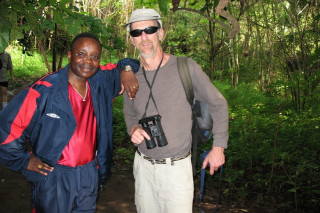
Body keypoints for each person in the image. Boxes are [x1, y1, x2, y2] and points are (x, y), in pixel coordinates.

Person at [0, 33, 139, 213]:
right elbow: (6, 126)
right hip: (54, 175)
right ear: (69, 55)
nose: (88, 61)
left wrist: (127, 69)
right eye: (81, 54)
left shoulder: (100, 82)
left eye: (94, 56)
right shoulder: (45, 90)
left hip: (89, 173)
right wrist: (24, 160)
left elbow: (128, 62)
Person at [122, 8, 229, 213]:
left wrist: (219, 147)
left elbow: (219, 103)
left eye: (149, 30)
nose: (143, 37)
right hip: (143, 167)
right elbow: (129, 113)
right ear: (132, 40)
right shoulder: (130, 76)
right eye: (136, 33)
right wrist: (133, 128)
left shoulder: (185, 67)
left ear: (161, 33)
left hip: (176, 170)